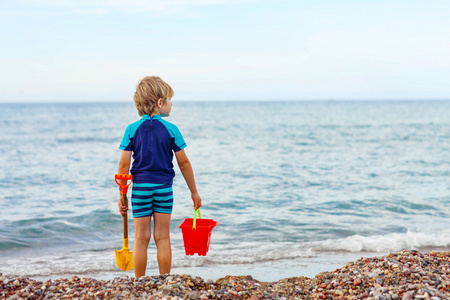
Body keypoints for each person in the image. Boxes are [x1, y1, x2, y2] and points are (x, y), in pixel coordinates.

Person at [117, 76, 202, 277]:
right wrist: (194, 192)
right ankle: (164, 279)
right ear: (159, 103)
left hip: (140, 190)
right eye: (170, 100)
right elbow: (184, 163)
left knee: (141, 238)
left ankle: (140, 281)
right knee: (162, 237)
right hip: (164, 189)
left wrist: (122, 196)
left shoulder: (132, 129)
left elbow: (123, 165)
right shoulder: (171, 129)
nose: (172, 104)